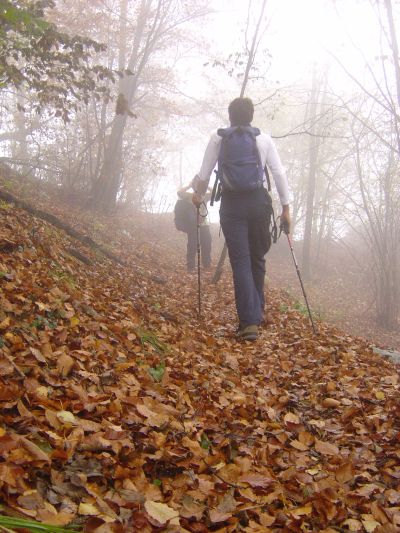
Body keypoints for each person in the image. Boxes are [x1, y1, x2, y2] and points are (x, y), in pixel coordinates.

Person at [192, 97, 291, 341]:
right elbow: (278, 173)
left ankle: (249, 321)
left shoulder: (219, 138)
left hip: (231, 204)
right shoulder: (263, 139)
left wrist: (197, 194)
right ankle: (255, 313)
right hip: (259, 203)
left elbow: (204, 174)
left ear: (230, 115)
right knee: (257, 258)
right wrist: (286, 208)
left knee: (241, 261)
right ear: (251, 116)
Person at [176, 184, 212, 272]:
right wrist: (190, 185)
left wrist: (205, 185)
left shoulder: (205, 196)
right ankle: (190, 266)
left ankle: (206, 264)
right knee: (193, 244)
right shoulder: (189, 196)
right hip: (192, 224)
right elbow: (179, 192)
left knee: (207, 243)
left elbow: (214, 192)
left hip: (204, 224)